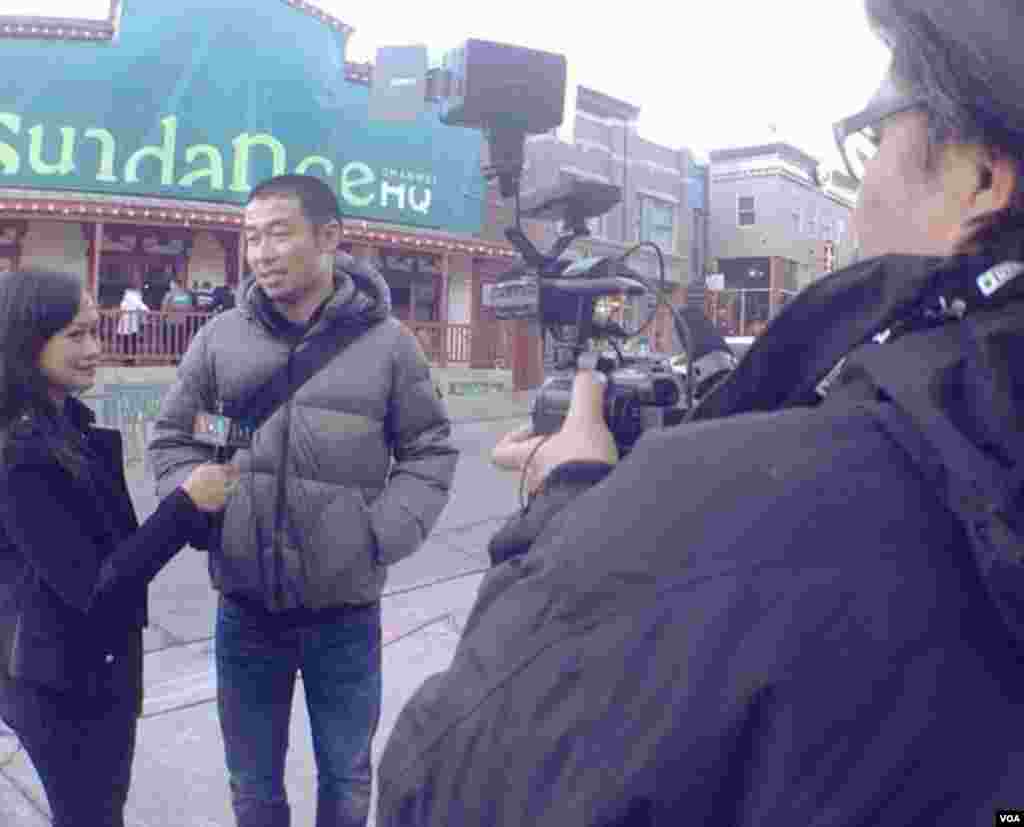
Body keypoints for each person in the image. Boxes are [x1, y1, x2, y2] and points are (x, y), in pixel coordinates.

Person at [377, 1, 1024, 824]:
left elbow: (441, 782)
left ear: (980, 180)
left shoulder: (743, 508)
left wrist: (571, 500)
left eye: (870, 141)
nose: (858, 190)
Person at [147, 174, 458, 827]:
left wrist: (378, 534)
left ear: (329, 237)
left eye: (279, 234)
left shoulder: (390, 344)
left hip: (345, 614)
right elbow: (178, 435)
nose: (261, 253)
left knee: (347, 780)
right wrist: (205, 512)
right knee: (252, 786)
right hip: (245, 609)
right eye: (251, 237)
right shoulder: (219, 339)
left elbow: (428, 451)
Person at [0, 270, 238, 827]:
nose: (94, 349)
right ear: (28, 339)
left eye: (95, 330)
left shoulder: (71, 426)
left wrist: (198, 510)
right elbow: (96, 587)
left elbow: (122, 545)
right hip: (60, 682)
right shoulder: (21, 453)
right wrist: (184, 507)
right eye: (76, 335)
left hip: (99, 668)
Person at [116, 283, 149, 361]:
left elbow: (122, 308)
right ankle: (131, 358)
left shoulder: (125, 299)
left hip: (126, 324)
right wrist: (148, 313)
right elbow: (143, 308)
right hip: (132, 324)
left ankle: (126, 358)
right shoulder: (134, 298)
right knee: (132, 342)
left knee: (126, 342)